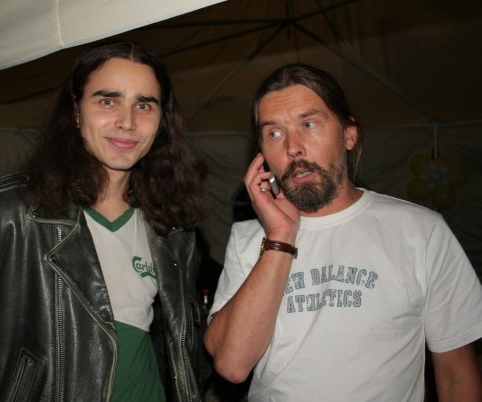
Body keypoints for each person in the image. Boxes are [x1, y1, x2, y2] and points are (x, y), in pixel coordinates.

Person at [0, 41, 205, 402]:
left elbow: (182, 352)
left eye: (144, 105)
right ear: (76, 112)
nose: (127, 122)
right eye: (108, 101)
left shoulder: (172, 228)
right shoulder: (0, 215)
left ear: (161, 122)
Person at [204, 63, 482, 401]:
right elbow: (232, 365)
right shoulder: (248, 239)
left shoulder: (420, 231)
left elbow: (456, 377)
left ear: (349, 135)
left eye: (309, 124)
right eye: (274, 133)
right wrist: (280, 237)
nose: (293, 147)